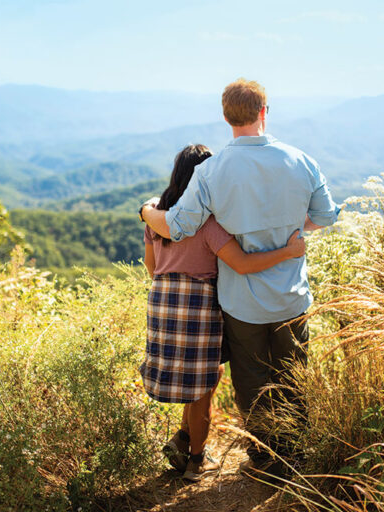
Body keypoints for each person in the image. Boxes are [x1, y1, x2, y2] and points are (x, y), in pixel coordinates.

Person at [140, 79, 340, 479]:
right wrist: (288, 230)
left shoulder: (212, 171)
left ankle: (264, 457)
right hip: (292, 297)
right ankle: (294, 455)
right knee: (293, 375)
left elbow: (179, 226)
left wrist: (145, 213)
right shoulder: (301, 160)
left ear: (226, 116)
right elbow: (325, 216)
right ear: (264, 112)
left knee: (251, 382)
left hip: (241, 302)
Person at [140, 143, 306, 482]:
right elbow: (242, 264)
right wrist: (288, 252)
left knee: (204, 377)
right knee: (202, 385)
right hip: (198, 303)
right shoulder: (208, 223)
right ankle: (197, 463)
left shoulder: (159, 215)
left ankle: (184, 440)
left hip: (161, 300)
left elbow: (151, 264)